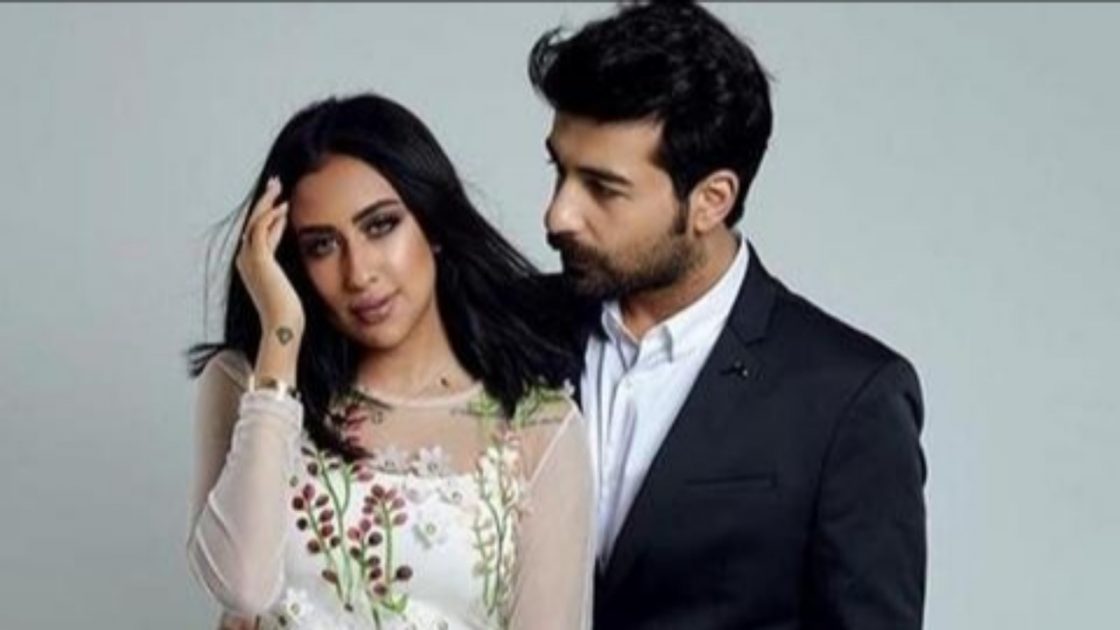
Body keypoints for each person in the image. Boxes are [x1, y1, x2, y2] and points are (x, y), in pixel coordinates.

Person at [528, 2, 927, 628]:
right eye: (560, 170)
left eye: (602, 188)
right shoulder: (505, 329)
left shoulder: (847, 397)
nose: (558, 215)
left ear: (711, 201)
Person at [185, 93, 593, 630]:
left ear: (434, 224)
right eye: (321, 245)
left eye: (380, 226)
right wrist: (280, 332)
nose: (359, 273)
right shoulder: (250, 383)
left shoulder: (536, 424)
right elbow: (243, 585)